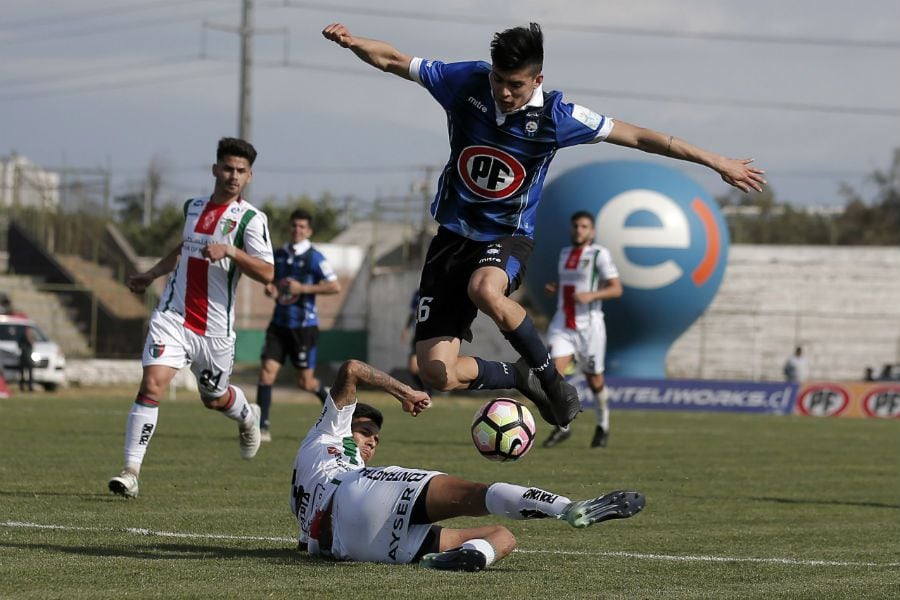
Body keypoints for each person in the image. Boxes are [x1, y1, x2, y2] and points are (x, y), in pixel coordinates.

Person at [322, 22, 766, 432]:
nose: (503, 91)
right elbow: (395, 60)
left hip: (507, 237)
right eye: (498, 80)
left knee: (485, 289)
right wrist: (354, 41)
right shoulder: (466, 83)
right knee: (438, 372)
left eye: (515, 84)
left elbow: (637, 136)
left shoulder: (557, 117)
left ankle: (551, 379)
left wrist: (715, 160)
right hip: (451, 239)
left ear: (536, 80)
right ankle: (516, 375)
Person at [290, 359, 646, 571]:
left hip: (352, 546)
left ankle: (473, 557)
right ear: (342, 421)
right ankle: (570, 508)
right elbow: (353, 369)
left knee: (502, 538)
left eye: (375, 438)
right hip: (355, 494)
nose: (371, 441)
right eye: (365, 432)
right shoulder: (328, 432)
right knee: (476, 494)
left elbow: (306, 537)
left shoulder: (305, 481)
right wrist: (406, 392)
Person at [107, 137, 274, 498]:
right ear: (215, 169)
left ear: (250, 177)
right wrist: (152, 274)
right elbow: (185, 247)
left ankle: (247, 416)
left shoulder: (251, 220)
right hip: (174, 315)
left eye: (240, 171)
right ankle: (130, 472)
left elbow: (267, 273)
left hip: (214, 330)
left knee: (213, 399)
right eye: (228, 168)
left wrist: (231, 250)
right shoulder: (193, 207)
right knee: (152, 384)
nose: (233, 176)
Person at [256, 208, 341, 442]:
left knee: (305, 382)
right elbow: (271, 281)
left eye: (302, 227)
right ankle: (262, 427)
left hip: (303, 327)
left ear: (309, 230)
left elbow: (334, 286)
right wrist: (270, 287)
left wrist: (303, 289)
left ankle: (337, 415)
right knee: (266, 374)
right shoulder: (279, 255)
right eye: (294, 225)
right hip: (279, 324)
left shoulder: (314, 257)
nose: (297, 230)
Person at [542, 211, 622, 449]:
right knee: (552, 376)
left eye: (584, 226)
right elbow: (569, 283)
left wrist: (592, 295)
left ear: (592, 231)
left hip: (590, 326)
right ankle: (562, 426)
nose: (579, 230)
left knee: (594, 379)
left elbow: (616, 289)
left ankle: (603, 425)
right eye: (576, 225)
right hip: (563, 323)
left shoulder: (599, 254)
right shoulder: (565, 253)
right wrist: (555, 287)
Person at [399, 288, 429, 392]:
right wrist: (406, 329)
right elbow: (413, 313)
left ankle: (429, 394)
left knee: (429, 366)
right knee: (412, 367)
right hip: (417, 335)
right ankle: (424, 391)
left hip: (431, 334)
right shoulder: (417, 293)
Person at [17, 325, 36, 392]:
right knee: (22, 374)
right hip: (23, 358)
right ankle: (22, 387)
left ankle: (30, 387)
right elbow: (19, 346)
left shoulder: (31, 337)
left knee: (30, 374)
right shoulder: (22, 337)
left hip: (29, 359)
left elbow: (32, 343)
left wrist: (29, 338)